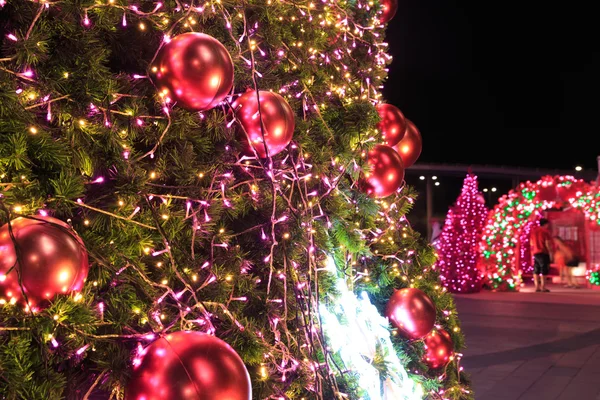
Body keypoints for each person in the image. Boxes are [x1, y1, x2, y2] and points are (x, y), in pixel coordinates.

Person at [530, 218, 553, 292]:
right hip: (543, 252)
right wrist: (551, 253)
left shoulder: (534, 232)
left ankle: (537, 287)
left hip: (535, 253)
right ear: (545, 224)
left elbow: (531, 243)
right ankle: (543, 287)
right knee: (544, 269)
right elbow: (547, 243)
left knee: (536, 270)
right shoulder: (545, 232)